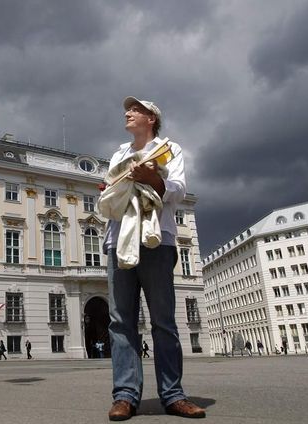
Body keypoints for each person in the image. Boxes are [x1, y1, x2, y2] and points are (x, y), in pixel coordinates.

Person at [103, 96, 205, 420]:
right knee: (121, 322)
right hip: (118, 240)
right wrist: (107, 189)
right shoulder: (119, 153)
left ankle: (173, 394)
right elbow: (111, 191)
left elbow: (177, 189)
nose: (128, 113)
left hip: (158, 239)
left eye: (135, 110)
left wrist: (152, 179)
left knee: (163, 321)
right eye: (127, 110)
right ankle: (126, 396)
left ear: (151, 118)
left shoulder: (169, 149)